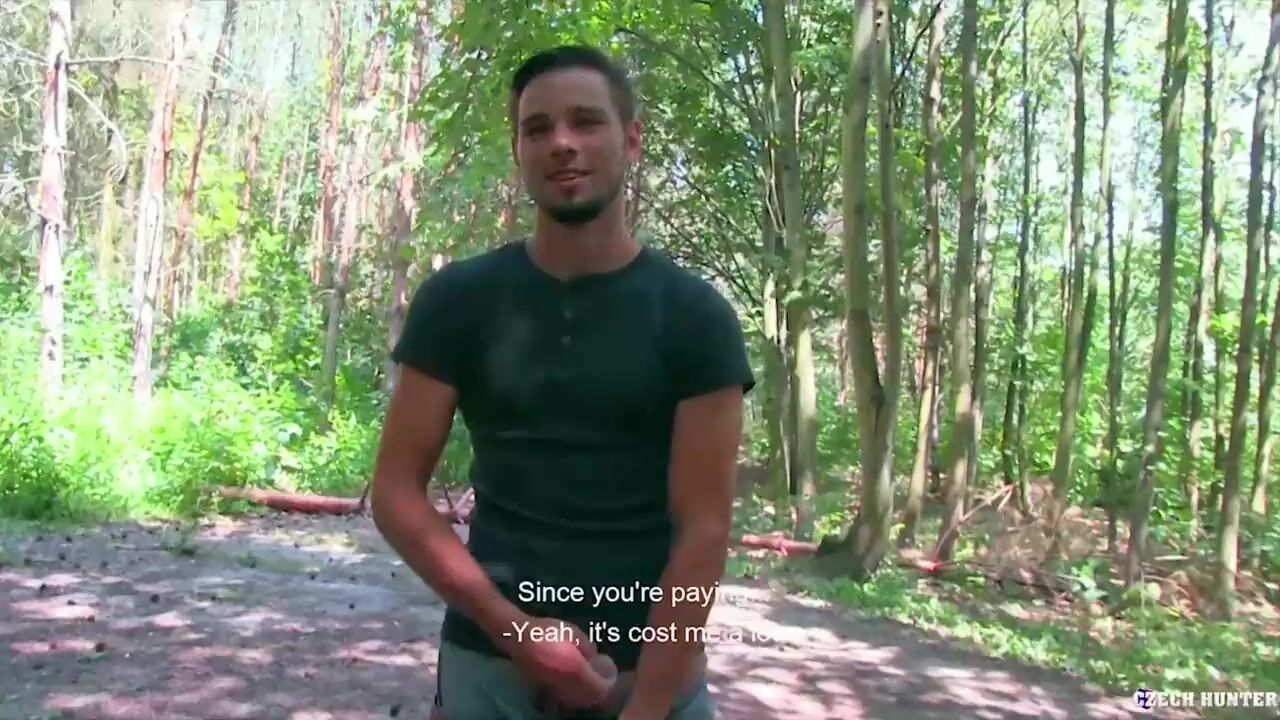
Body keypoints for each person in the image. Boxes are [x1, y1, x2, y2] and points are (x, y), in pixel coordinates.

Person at [369, 44, 755, 720]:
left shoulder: (695, 317)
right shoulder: (459, 301)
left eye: (586, 121)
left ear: (632, 140)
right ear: (518, 150)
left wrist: (649, 705)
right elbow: (396, 492)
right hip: (490, 671)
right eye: (538, 128)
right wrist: (516, 633)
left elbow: (704, 529)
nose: (562, 143)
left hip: (650, 675)